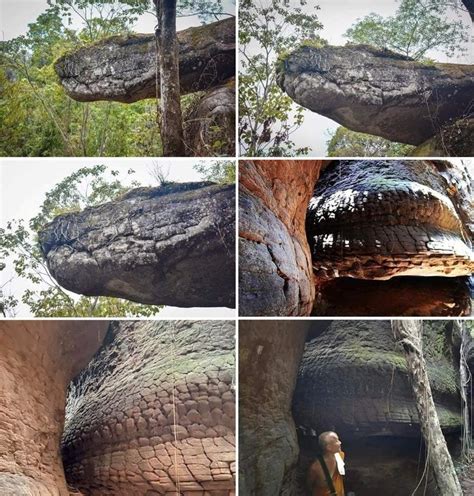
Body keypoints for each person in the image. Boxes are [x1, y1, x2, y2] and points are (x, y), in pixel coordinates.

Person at [307, 431, 345, 496]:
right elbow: (309, 485)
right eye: (336, 441)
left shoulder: (340, 455)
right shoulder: (316, 468)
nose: (340, 442)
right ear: (329, 447)